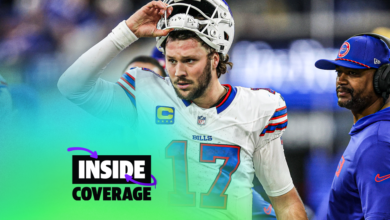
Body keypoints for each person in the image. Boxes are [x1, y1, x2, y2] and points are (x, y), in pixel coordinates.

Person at [58, 1, 307, 219]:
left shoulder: (256, 108)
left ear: (215, 58)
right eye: (171, 61)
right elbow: (72, 86)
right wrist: (127, 32)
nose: (178, 72)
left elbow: (285, 202)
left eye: (189, 61)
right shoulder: (146, 92)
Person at [315, 33, 390, 219]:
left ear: (383, 78)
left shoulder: (376, 142)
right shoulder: (369, 132)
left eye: (353, 72)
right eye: (338, 72)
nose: (341, 80)